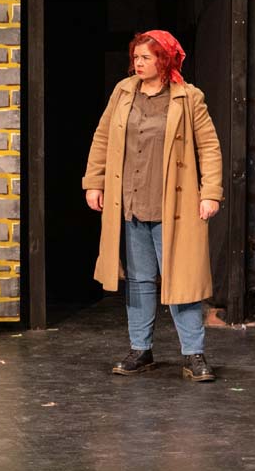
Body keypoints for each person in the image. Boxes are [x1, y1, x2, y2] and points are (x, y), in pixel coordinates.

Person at [83, 30, 223, 382]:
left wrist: (210, 192)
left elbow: (209, 147)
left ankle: (193, 353)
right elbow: (102, 137)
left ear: (164, 60)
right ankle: (140, 349)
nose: (138, 63)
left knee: (182, 280)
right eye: (136, 57)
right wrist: (94, 181)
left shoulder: (188, 97)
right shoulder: (123, 92)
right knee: (140, 280)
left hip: (174, 206)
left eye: (146, 57)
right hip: (130, 203)